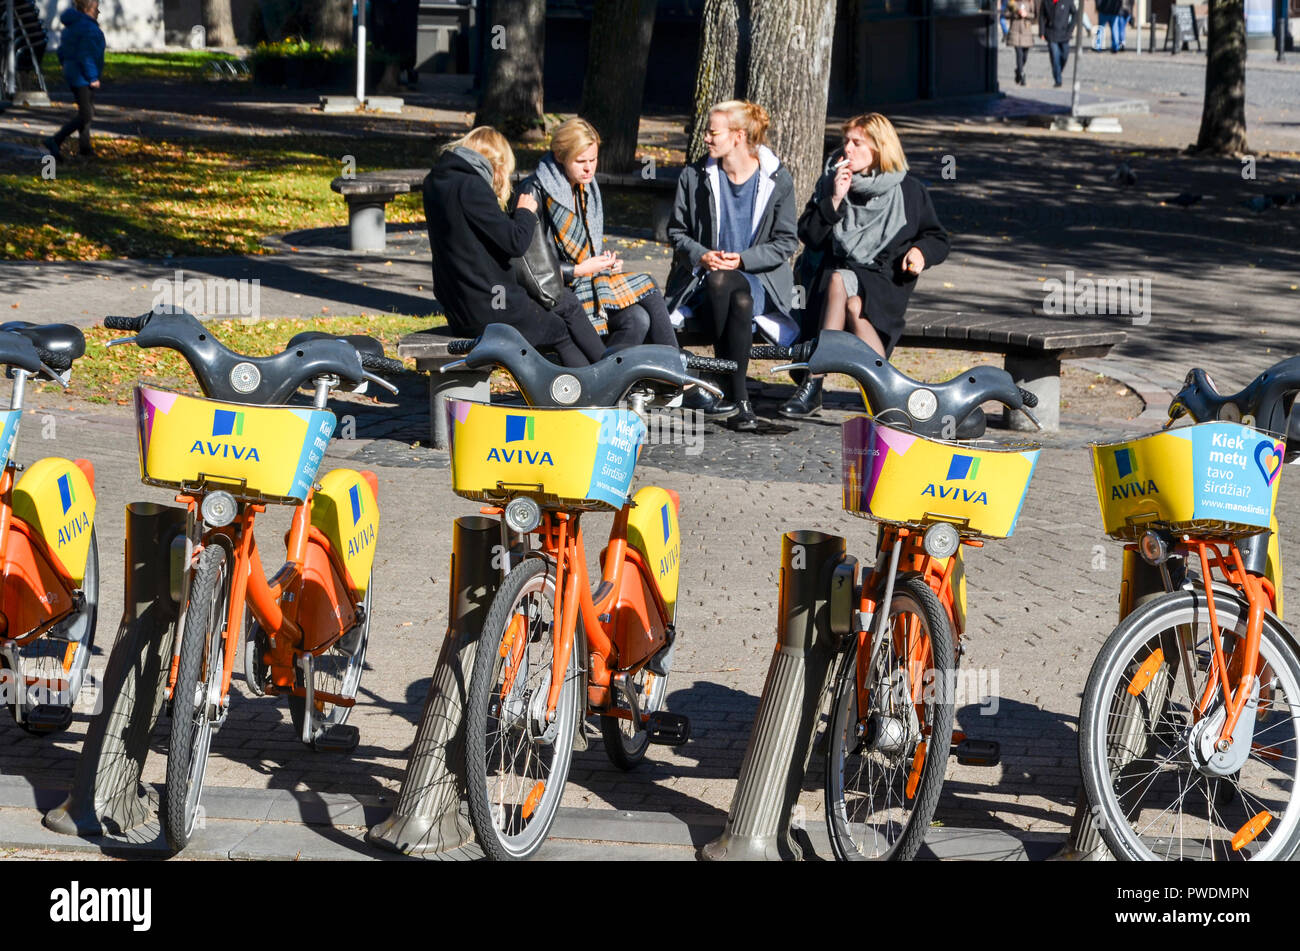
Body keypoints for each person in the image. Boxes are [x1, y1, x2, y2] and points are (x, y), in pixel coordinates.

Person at [780, 113, 949, 419]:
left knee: (855, 304)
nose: (848, 149)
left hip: (885, 281)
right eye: (846, 141)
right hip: (830, 279)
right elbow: (809, 236)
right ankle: (889, 392)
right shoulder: (831, 182)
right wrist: (833, 200)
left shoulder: (909, 191)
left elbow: (936, 237)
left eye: (857, 143)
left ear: (879, 149)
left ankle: (813, 385)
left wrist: (920, 252)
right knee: (838, 281)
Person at [421, 127, 606, 368]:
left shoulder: (436, 181)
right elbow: (515, 242)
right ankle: (593, 386)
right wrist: (525, 212)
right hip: (489, 308)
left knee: (565, 304)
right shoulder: (472, 187)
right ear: (496, 163)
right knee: (559, 330)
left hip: (459, 304)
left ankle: (599, 372)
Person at [664, 100, 798, 432]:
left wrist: (742, 260)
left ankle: (725, 385)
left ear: (738, 136)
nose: (705, 138)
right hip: (702, 283)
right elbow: (677, 232)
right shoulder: (695, 176)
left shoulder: (777, 179)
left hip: (758, 280)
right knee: (726, 287)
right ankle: (741, 400)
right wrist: (702, 255)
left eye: (713, 132)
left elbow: (786, 241)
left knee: (732, 287)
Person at [520, 118, 677, 351]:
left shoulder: (585, 188)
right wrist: (580, 270)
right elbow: (530, 264)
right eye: (580, 161)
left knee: (637, 318)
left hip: (586, 281)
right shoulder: (534, 190)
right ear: (560, 156)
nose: (589, 168)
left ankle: (617, 381)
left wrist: (604, 263)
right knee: (646, 284)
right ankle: (677, 370)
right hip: (557, 291)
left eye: (593, 160)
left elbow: (585, 248)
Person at [43, 0, 105, 161]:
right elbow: (87, 55)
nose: (98, 12)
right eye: (96, 8)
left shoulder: (72, 26)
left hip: (74, 73)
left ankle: (85, 148)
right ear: (88, 9)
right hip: (83, 77)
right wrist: (92, 77)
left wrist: (66, 65)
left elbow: (62, 51)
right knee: (86, 113)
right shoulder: (88, 28)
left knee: (86, 111)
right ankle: (55, 140)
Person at [1039, 0, 1077, 87]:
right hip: (1051, 33)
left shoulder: (1067, 1)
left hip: (1064, 34)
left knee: (1064, 55)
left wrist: (1070, 29)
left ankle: (1058, 71)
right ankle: (1058, 79)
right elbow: (1041, 16)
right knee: (1055, 56)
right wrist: (1041, 31)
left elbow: (1075, 14)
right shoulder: (1046, 2)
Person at [1007, 0, 1038, 85]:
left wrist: (1026, 14)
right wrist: (1016, 14)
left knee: (1024, 56)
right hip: (1015, 31)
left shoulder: (1030, 2)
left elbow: (1034, 15)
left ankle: (1018, 70)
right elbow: (1006, 14)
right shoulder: (1012, 2)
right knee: (1019, 54)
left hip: (1026, 32)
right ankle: (1022, 75)